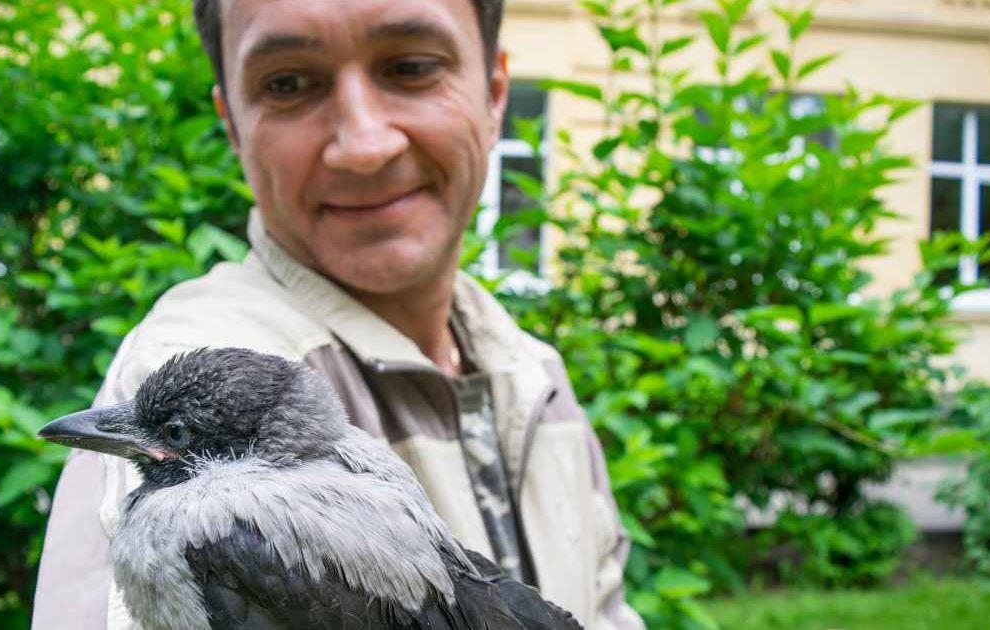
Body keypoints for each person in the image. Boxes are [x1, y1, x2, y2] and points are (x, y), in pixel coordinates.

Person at [32, 0, 644, 628]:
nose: (364, 146)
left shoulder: (533, 371)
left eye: (410, 67)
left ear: (494, 96)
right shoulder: (183, 372)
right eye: (288, 83)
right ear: (232, 125)